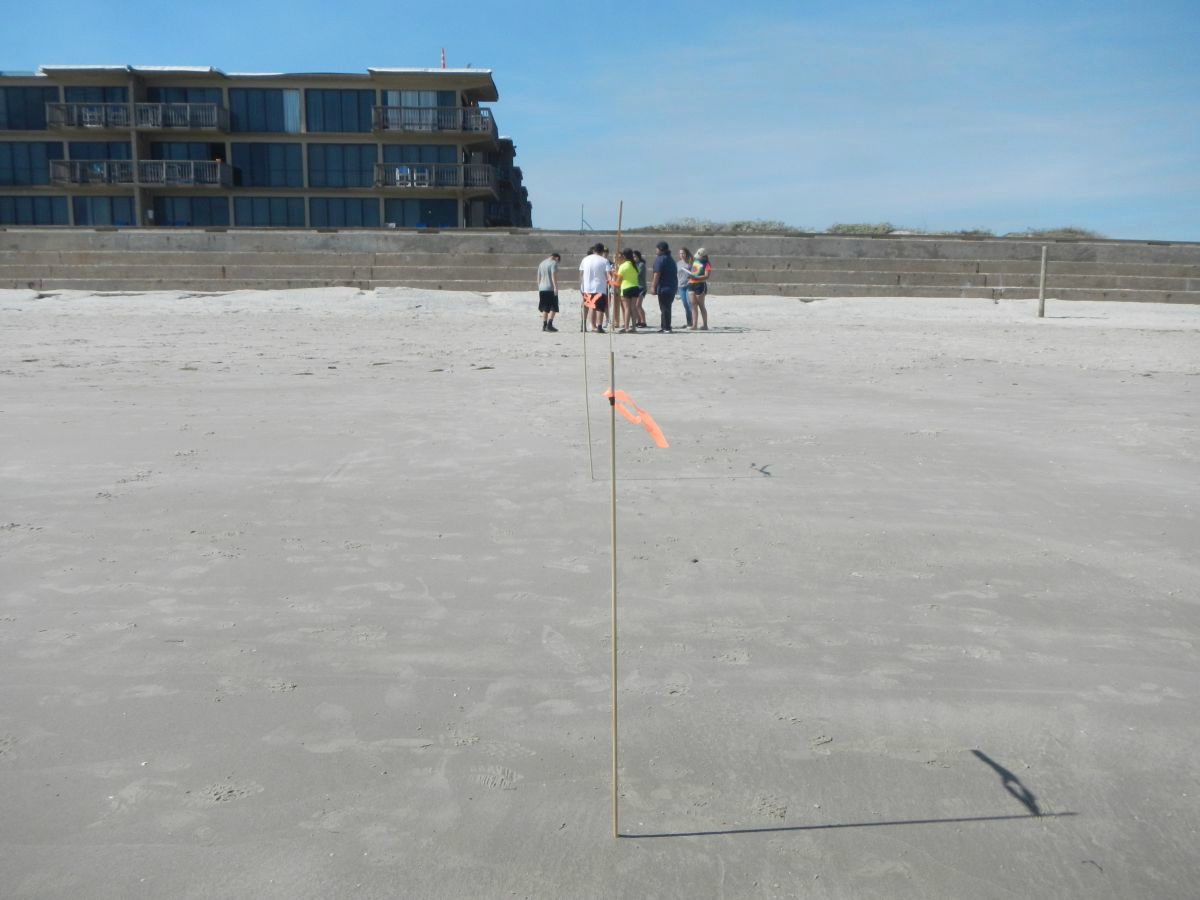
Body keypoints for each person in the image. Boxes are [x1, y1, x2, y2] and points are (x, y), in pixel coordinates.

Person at [579, 243, 610, 333]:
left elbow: (581, 273)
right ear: (602, 251)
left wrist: (582, 284)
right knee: (599, 307)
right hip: (599, 287)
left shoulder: (585, 259)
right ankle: (599, 326)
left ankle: (583, 324)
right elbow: (608, 275)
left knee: (586, 306)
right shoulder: (604, 261)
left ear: (594, 250)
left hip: (587, 287)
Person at [649, 240, 678, 332]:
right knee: (666, 307)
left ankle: (666, 327)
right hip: (672, 287)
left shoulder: (660, 259)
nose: (656, 250)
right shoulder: (670, 259)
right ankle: (664, 326)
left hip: (664, 287)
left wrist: (653, 286)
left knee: (664, 307)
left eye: (657, 249)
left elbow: (657, 274)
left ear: (661, 249)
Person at [615, 248, 640, 334]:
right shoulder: (635, 266)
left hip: (626, 288)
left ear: (624, 256)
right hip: (635, 288)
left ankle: (626, 327)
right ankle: (634, 327)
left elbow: (618, 280)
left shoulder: (622, 266)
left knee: (627, 308)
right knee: (633, 308)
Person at [688, 247, 712, 330]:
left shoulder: (707, 264)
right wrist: (691, 275)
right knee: (693, 305)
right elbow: (693, 270)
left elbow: (706, 276)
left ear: (704, 256)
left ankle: (705, 325)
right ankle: (694, 325)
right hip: (691, 284)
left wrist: (696, 277)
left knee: (701, 305)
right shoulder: (695, 261)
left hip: (700, 284)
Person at [537, 252, 560, 332]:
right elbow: (553, 276)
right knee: (554, 307)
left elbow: (538, 277)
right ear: (556, 258)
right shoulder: (553, 263)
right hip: (550, 288)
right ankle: (550, 324)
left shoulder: (541, 263)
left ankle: (544, 325)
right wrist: (556, 288)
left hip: (542, 288)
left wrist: (539, 287)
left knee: (545, 308)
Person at [677, 248, 694, 327]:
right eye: (680, 253)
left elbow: (694, 274)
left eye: (683, 253)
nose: (682, 255)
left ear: (686, 254)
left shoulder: (690, 263)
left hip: (689, 285)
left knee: (689, 303)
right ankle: (689, 322)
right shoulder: (677, 264)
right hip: (680, 286)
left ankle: (693, 322)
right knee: (685, 305)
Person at [632, 250, 648, 328]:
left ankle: (643, 321)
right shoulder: (634, 264)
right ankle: (639, 320)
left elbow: (637, 274)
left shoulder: (641, 265)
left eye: (635, 256)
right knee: (635, 305)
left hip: (641, 287)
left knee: (638, 305)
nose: (634, 258)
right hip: (635, 287)